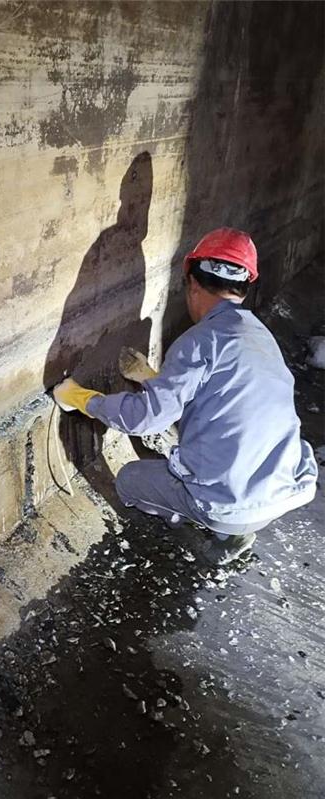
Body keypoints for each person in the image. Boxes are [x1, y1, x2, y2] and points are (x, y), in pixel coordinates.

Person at [52, 228, 318, 564]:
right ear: (244, 287)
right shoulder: (261, 337)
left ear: (192, 283)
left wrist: (84, 399)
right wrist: (154, 380)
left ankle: (211, 534)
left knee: (130, 481)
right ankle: (232, 528)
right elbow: (222, 401)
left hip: (229, 504)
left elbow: (144, 420)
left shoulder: (199, 341)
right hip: (281, 491)